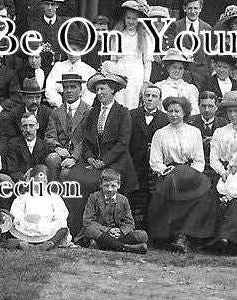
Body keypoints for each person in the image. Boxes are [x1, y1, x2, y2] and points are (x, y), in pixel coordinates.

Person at [64, 73, 134, 235]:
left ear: (113, 90)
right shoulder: (93, 112)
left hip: (116, 162)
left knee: (90, 182)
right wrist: (89, 157)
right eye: (97, 89)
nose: (99, 92)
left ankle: (96, 230)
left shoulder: (123, 113)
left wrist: (103, 161)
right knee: (71, 179)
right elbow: (86, 139)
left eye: (103, 88)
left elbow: (123, 143)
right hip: (93, 161)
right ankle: (74, 229)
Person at [147, 96, 216, 253]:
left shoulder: (194, 132)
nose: (173, 115)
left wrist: (191, 174)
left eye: (177, 111)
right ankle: (168, 235)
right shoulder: (160, 134)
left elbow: (199, 160)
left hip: (191, 174)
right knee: (164, 195)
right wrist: (166, 171)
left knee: (204, 196)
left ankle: (187, 235)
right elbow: (155, 161)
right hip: (169, 174)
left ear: (184, 113)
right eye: (170, 111)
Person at [127, 83, 169, 224]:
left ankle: (148, 226)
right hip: (134, 161)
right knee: (131, 191)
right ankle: (129, 223)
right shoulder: (132, 114)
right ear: (142, 98)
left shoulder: (165, 119)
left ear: (159, 100)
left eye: (154, 96)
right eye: (147, 96)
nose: (150, 99)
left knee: (152, 194)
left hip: (156, 164)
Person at [79, 167, 149, 253]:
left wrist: (120, 232)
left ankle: (103, 245)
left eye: (113, 186)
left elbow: (130, 223)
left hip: (118, 235)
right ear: (101, 184)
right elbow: (88, 221)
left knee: (143, 235)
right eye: (106, 185)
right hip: (101, 233)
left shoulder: (123, 200)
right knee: (90, 231)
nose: (109, 189)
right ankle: (125, 247)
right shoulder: (93, 197)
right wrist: (108, 231)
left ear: (119, 185)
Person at [102, 0, 152, 110]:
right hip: (120, 71)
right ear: (124, 19)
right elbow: (113, 59)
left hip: (136, 74)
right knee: (119, 102)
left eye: (134, 19)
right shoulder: (117, 35)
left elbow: (148, 63)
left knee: (133, 103)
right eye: (128, 18)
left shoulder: (145, 37)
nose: (131, 21)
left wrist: (145, 82)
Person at [8, 164, 70, 250]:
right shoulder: (23, 197)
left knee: (63, 229)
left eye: (44, 182)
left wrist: (47, 225)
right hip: (27, 229)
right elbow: (16, 216)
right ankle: (24, 243)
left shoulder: (54, 197)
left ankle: (48, 244)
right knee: (12, 227)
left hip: (47, 228)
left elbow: (61, 216)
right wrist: (28, 223)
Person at [45, 73, 91, 184]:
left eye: (73, 87)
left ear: (80, 90)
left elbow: (86, 140)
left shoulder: (89, 111)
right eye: (66, 87)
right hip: (61, 153)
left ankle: (64, 199)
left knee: (65, 173)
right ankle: (52, 195)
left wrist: (74, 157)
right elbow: (49, 136)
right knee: (52, 159)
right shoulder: (56, 112)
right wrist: (58, 149)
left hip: (80, 155)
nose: (68, 90)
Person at [164, 0, 212, 91]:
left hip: (201, 77)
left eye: (196, 8)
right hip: (181, 75)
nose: (193, 12)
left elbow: (209, 55)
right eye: (190, 8)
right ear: (184, 8)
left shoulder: (207, 28)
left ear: (200, 9)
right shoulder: (175, 26)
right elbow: (170, 50)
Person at [188, 91, 228, 185]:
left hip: (217, 167)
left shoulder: (224, 123)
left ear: (216, 107)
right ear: (198, 106)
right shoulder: (190, 122)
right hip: (196, 166)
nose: (206, 110)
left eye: (210, 106)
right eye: (203, 106)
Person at [4, 112, 55, 182]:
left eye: (31, 126)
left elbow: (47, 170)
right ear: (21, 127)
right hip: (21, 183)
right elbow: (12, 169)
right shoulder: (13, 144)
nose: (28, 130)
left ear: (37, 126)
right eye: (25, 126)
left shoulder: (45, 145)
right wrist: (24, 179)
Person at [155, 49, 200, 115]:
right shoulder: (159, 86)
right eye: (174, 67)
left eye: (180, 68)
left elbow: (194, 109)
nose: (177, 71)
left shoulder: (191, 88)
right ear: (168, 68)